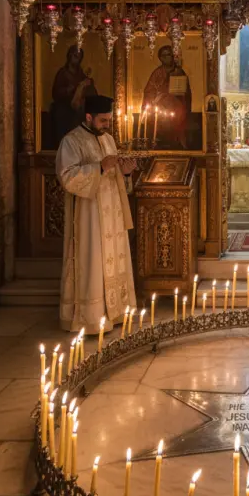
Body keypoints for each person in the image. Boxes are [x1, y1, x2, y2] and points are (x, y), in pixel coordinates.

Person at [56, 95, 137, 333]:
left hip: (113, 215)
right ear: (89, 117)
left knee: (113, 262)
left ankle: (117, 311)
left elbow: (117, 176)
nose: (107, 125)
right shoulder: (71, 141)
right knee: (93, 262)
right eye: (103, 120)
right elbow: (66, 177)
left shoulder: (109, 139)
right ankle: (92, 317)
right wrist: (100, 167)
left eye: (109, 120)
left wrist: (126, 173)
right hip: (89, 215)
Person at [141, 45, 192, 148]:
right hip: (161, 107)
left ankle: (177, 144)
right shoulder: (157, 73)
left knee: (176, 125)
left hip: (176, 105)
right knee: (161, 127)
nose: (165, 57)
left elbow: (186, 92)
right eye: (163, 55)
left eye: (168, 54)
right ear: (160, 58)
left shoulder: (179, 71)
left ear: (173, 56)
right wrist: (158, 96)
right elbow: (148, 91)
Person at [49, 45, 97, 147]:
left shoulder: (81, 74)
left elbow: (89, 90)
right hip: (64, 105)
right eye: (74, 55)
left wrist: (87, 84)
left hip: (77, 107)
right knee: (62, 114)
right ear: (69, 56)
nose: (76, 58)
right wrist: (68, 90)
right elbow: (56, 92)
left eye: (78, 56)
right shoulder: (62, 73)